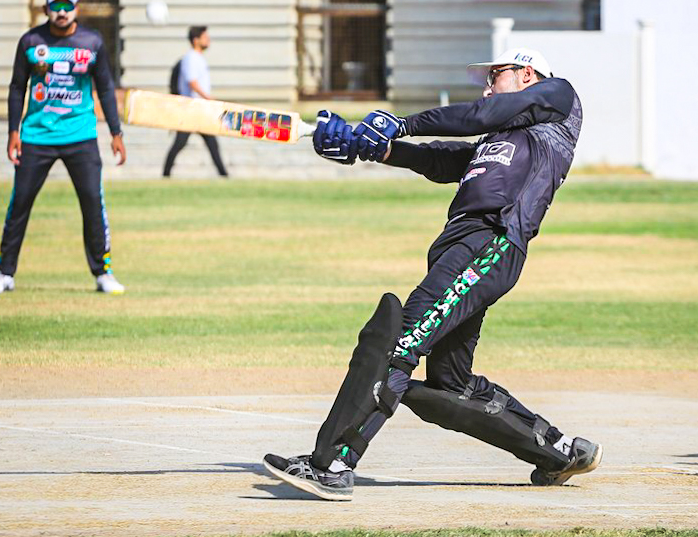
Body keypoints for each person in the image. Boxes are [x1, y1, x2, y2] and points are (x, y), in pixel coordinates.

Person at [263, 47, 600, 501]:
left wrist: (401, 122)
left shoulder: (557, 97)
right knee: (450, 384)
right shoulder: (502, 138)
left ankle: (334, 463)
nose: (487, 88)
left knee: (400, 342)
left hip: (492, 242)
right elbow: (441, 160)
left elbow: (481, 114)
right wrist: (374, 147)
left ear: (526, 74)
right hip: (462, 247)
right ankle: (558, 452)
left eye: (495, 76)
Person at [0, 0, 127, 296]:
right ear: (46, 9)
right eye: (56, 6)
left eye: (67, 6)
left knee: (92, 203)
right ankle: (4, 273)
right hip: (37, 136)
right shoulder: (31, 41)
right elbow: (17, 87)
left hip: (81, 135)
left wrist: (116, 132)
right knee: (20, 203)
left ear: (76, 8)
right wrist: (13, 132)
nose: (62, 12)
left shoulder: (92, 42)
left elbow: (105, 88)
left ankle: (103, 273)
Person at [162, 26, 229, 178]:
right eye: (205, 37)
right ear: (195, 40)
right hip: (191, 108)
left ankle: (223, 174)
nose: (208, 40)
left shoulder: (198, 58)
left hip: (200, 108)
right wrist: (208, 98)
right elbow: (192, 82)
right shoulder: (190, 58)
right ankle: (165, 174)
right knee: (180, 142)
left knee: (211, 143)